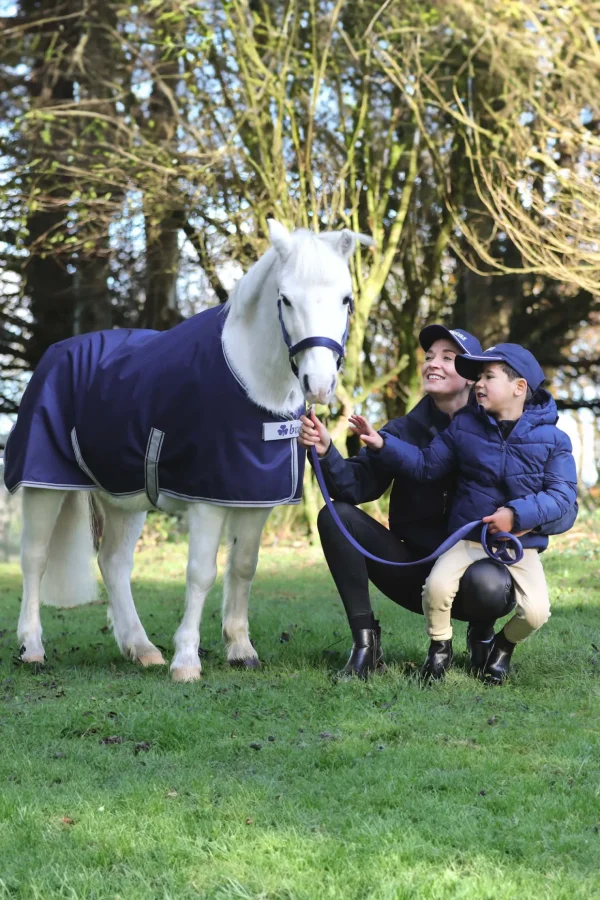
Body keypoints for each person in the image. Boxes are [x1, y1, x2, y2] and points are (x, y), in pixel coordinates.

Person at [299, 325, 577, 679]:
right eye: (429, 357)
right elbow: (357, 487)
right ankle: (366, 643)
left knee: (491, 584)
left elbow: (563, 503)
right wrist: (326, 453)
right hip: (418, 567)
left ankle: (484, 636)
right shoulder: (402, 431)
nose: (434, 363)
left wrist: (519, 517)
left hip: (488, 572)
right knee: (335, 516)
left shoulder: (532, 436)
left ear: (470, 374)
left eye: (449, 358)